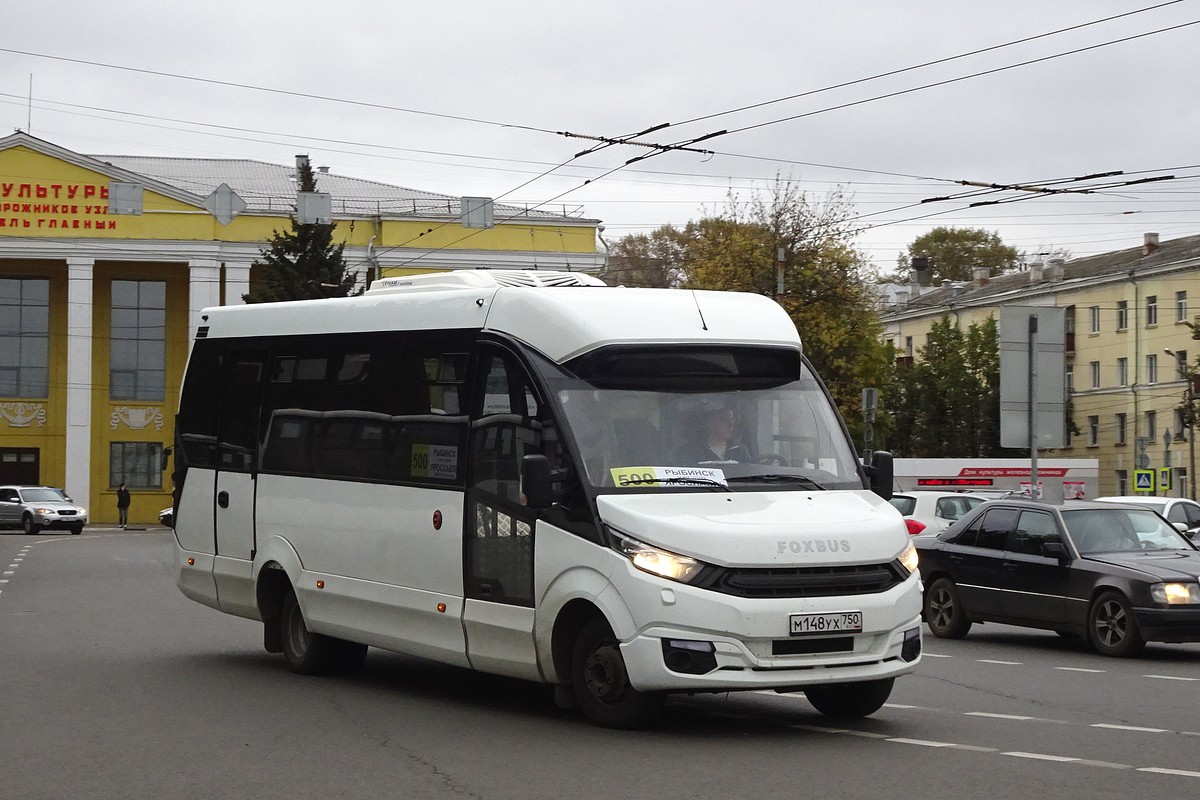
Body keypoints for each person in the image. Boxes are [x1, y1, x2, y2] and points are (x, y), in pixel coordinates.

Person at [677, 407, 751, 464]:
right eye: (726, 420)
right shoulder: (690, 452)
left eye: (732, 420)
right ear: (711, 422)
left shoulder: (740, 450)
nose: (731, 425)